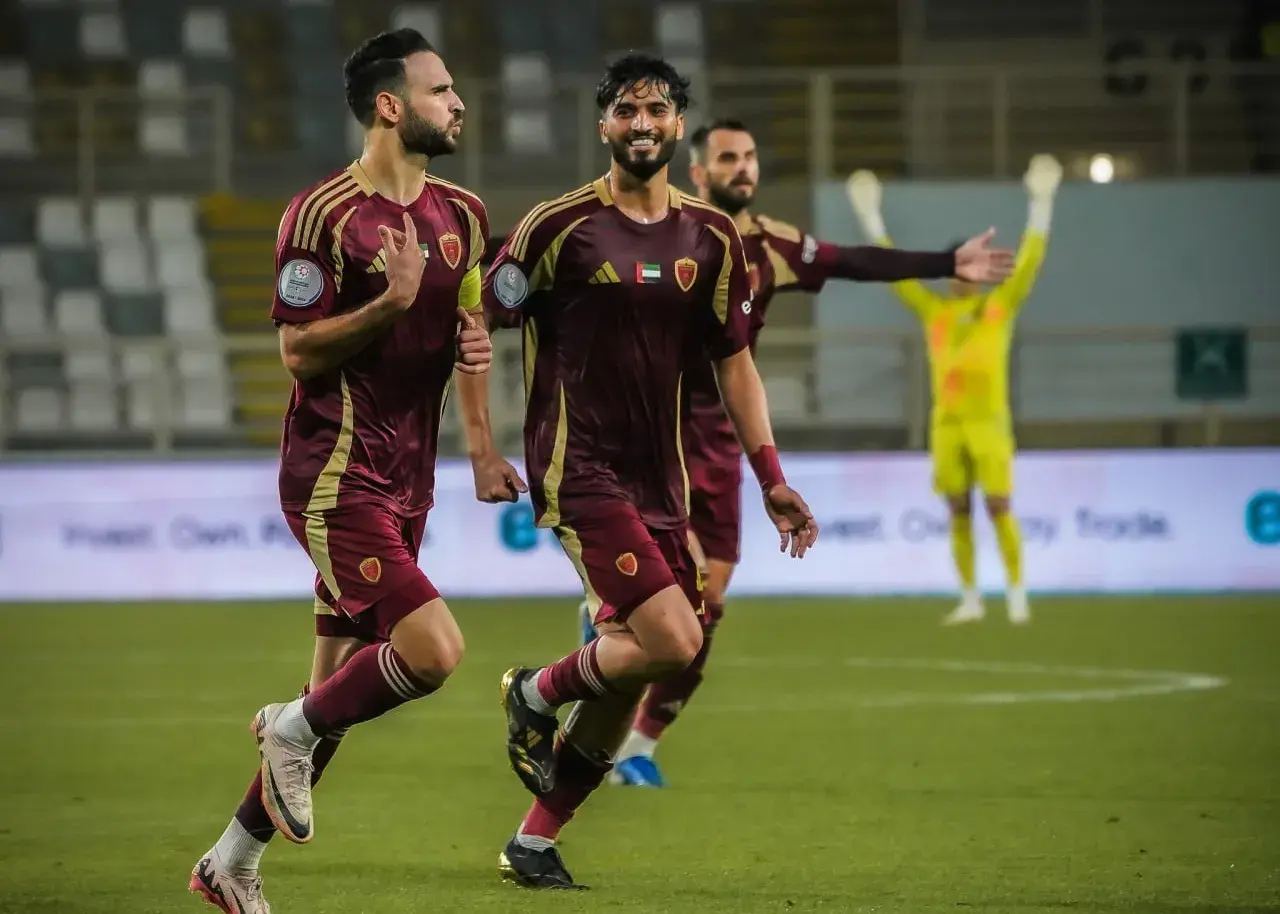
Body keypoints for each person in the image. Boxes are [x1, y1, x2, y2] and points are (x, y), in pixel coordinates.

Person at [188, 29, 517, 913]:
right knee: (433, 651)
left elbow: (471, 332)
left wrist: (483, 446)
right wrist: (392, 302)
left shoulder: (463, 215)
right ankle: (284, 727)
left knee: (335, 690)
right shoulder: (322, 215)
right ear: (390, 105)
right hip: (334, 473)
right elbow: (297, 352)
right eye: (441, 90)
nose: (458, 103)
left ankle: (230, 864)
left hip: (411, 477)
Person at [473, 54, 819, 890]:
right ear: (603, 125)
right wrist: (481, 447)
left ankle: (535, 842)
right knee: (674, 640)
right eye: (626, 110)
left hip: (665, 481)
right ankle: (534, 691)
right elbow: (474, 323)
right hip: (578, 468)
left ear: (677, 125)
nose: (642, 124)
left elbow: (735, 363)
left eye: (657, 110)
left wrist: (771, 475)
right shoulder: (556, 227)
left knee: (638, 664)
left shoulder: (712, 236)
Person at [594, 117, 1016, 788]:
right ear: (698, 171)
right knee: (678, 588)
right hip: (649, 435)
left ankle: (637, 748)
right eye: (727, 158)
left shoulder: (774, 246)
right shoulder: (662, 232)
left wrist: (945, 262)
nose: (742, 168)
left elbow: (852, 261)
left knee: (709, 604)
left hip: (721, 443)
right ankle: (596, 667)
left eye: (749, 156)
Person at [847, 154, 1062, 626]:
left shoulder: (999, 305)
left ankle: (1017, 593)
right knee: (958, 509)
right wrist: (870, 217)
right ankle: (970, 597)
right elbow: (893, 274)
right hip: (947, 424)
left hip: (989, 424)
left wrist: (1041, 203)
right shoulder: (935, 312)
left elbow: (1029, 263)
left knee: (999, 506)